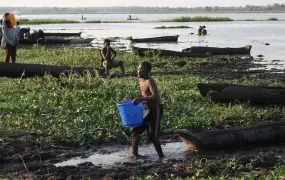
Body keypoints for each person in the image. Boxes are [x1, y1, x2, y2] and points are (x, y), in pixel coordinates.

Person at [126, 61, 164, 158]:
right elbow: (144, 94)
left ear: (148, 71)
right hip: (145, 109)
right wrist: (133, 98)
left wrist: (140, 99)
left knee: (152, 137)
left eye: (142, 70)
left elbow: (156, 97)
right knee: (135, 130)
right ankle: (134, 155)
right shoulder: (141, 80)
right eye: (138, 69)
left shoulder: (150, 81)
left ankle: (161, 157)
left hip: (154, 110)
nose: (139, 72)